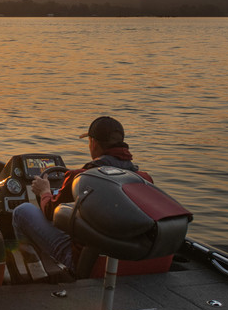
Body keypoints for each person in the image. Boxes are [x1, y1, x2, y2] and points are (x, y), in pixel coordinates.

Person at [11, 116, 152, 272]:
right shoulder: (143, 178)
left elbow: (50, 212)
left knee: (21, 211)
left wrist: (44, 191)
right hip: (129, 260)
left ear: (94, 143)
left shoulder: (81, 178)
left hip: (84, 261)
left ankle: (33, 272)